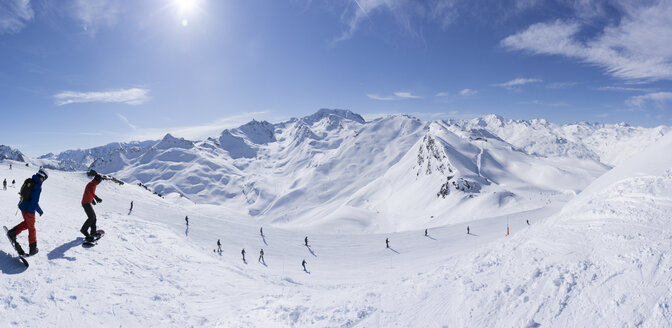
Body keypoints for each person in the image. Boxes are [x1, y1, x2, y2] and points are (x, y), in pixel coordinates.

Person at [6, 168, 48, 256]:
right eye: (44, 179)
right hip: (29, 211)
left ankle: (13, 232)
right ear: (43, 177)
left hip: (23, 207)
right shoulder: (37, 186)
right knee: (32, 228)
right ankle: (33, 249)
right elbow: (34, 202)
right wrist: (40, 211)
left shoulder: (30, 181)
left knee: (27, 224)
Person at [80, 174, 103, 242]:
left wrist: (92, 200)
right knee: (91, 217)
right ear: (98, 179)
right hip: (85, 203)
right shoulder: (91, 184)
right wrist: (96, 198)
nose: (100, 182)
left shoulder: (93, 184)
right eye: (100, 180)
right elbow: (91, 191)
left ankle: (93, 232)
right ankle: (84, 230)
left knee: (94, 217)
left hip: (87, 202)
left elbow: (89, 193)